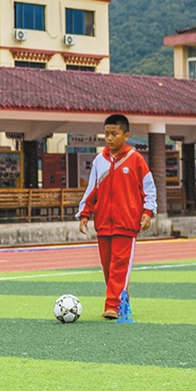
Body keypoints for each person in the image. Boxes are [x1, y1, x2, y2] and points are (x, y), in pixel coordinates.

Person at [76, 114, 156, 321]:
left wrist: (148, 212)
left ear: (126, 135)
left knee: (119, 266)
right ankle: (122, 301)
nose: (109, 138)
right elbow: (91, 190)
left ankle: (111, 305)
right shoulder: (98, 160)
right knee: (108, 267)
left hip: (127, 223)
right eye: (106, 134)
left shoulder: (136, 159)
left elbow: (149, 189)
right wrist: (84, 213)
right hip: (103, 223)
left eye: (114, 134)